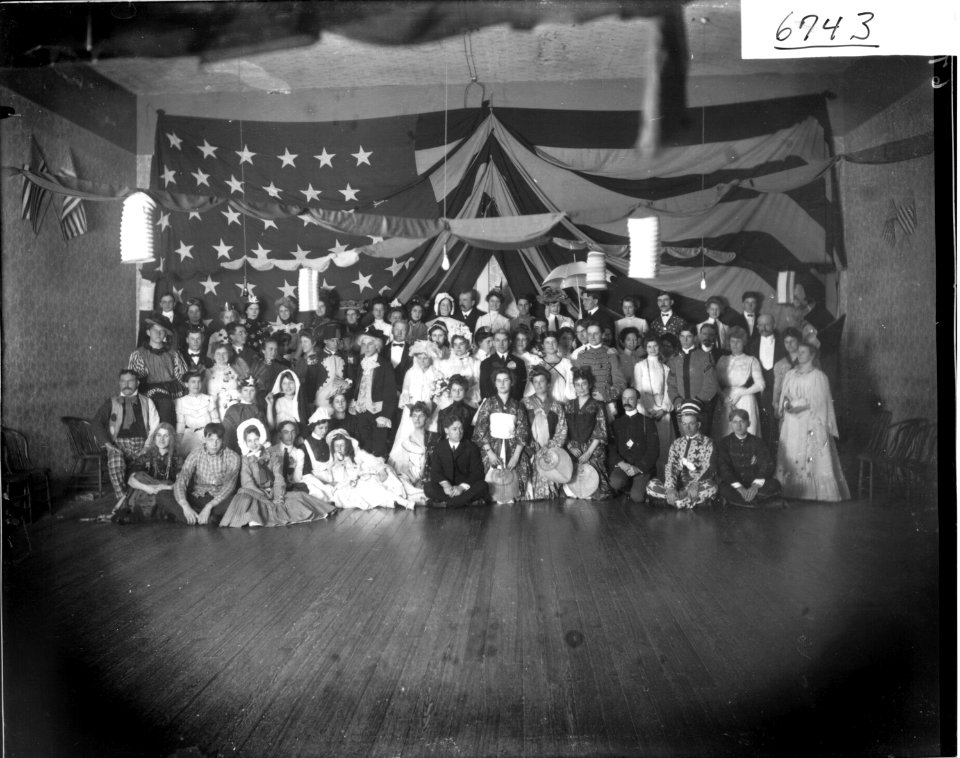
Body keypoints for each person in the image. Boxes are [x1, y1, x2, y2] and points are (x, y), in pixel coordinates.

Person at [218, 419, 333, 528]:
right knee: (246, 501)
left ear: (262, 438)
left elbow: (279, 478)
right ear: (245, 442)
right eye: (250, 441)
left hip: (273, 490)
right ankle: (257, 517)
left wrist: (277, 496)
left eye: (256, 439)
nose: (253, 444)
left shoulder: (272, 455)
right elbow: (247, 482)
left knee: (298, 498)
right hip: (255, 492)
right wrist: (263, 495)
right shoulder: (246, 459)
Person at [775, 343, 850, 501]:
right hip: (792, 420)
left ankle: (815, 492)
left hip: (809, 418)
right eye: (798, 352)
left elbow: (821, 402)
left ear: (812, 355)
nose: (799, 355)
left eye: (803, 352)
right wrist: (787, 405)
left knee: (810, 454)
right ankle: (790, 489)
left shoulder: (819, 377)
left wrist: (801, 408)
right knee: (792, 451)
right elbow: (785, 395)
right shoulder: (790, 374)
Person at [93, 369, 161, 502]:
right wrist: (108, 445)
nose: (126, 384)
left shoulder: (147, 402)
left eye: (130, 381)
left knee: (146, 470)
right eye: (123, 381)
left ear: (138, 383)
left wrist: (147, 446)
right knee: (115, 461)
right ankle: (123, 501)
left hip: (142, 444)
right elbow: (96, 422)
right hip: (119, 444)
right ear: (119, 383)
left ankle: (140, 499)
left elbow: (155, 426)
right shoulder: (112, 402)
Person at [156, 422, 241, 525]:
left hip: (218, 500)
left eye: (217, 440)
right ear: (204, 439)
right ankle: (202, 518)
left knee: (240, 499)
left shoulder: (233, 457)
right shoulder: (196, 453)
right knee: (162, 495)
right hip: (196, 496)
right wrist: (185, 505)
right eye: (211, 440)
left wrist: (209, 506)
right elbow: (183, 477)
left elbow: (229, 486)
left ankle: (193, 518)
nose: (214, 444)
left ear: (223, 440)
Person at [646, 401, 719, 509]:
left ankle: (673, 502)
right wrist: (671, 488)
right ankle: (684, 502)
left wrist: (696, 483)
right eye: (684, 424)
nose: (687, 428)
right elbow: (671, 466)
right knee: (651, 485)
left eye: (691, 423)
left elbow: (709, 467)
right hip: (678, 487)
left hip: (697, 486)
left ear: (698, 424)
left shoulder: (708, 442)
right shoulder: (676, 443)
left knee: (712, 487)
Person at [315, 429, 410, 510]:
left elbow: (372, 460)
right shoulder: (333, 461)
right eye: (336, 446)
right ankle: (389, 502)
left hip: (366, 477)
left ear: (347, 445)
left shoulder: (357, 453)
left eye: (342, 445)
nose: (339, 448)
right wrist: (337, 463)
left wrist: (380, 469)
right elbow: (333, 478)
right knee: (347, 495)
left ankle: (400, 500)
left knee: (372, 486)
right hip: (349, 485)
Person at [473, 367, 531, 497]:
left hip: (513, 447)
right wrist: (490, 453)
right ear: (495, 383)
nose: (502, 383)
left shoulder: (518, 405)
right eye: (499, 381)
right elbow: (481, 429)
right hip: (492, 447)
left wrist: (516, 457)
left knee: (514, 485)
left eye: (506, 380)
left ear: (511, 382)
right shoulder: (488, 403)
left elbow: (523, 432)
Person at [112, 422, 181, 523]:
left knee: (167, 484)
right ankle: (137, 512)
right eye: (159, 435)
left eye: (166, 436)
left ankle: (134, 513)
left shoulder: (177, 458)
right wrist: (149, 488)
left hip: (164, 493)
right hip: (146, 492)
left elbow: (181, 483)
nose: (161, 439)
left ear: (171, 439)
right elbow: (131, 481)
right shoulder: (147, 456)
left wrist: (164, 487)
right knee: (139, 476)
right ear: (154, 437)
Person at [717, 409, 785, 508]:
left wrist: (755, 486)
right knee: (723, 489)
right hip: (735, 485)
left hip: (755, 484)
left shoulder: (758, 442)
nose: (738, 426)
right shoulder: (724, 443)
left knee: (775, 484)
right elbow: (723, 468)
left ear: (749, 423)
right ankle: (761, 504)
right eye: (735, 422)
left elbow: (766, 465)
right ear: (731, 424)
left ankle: (743, 503)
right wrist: (740, 488)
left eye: (742, 422)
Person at [128, 313, 187, 424]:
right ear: (148, 332)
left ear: (165, 334)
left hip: (173, 388)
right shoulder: (139, 354)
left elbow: (183, 375)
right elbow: (134, 378)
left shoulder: (174, 353)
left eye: (162, 331)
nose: (158, 333)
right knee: (165, 402)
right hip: (150, 389)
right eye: (155, 330)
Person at [563, 366, 612, 500]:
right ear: (574, 386)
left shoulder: (598, 405)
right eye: (577, 385)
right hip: (573, 446)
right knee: (570, 488)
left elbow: (600, 430)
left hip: (592, 447)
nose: (581, 388)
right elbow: (563, 428)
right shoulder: (568, 405)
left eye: (584, 384)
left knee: (597, 489)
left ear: (589, 385)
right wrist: (569, 446)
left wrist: (588, 453)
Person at [349, 327, 397, 458]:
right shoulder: (361, 362)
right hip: (361, 410)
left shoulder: (385, 365)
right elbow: (358, 386)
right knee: (364, 446)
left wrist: (386, 415)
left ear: (377, 346)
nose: (366, 347)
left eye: (370, 344)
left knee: (378, 448)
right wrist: (355, 402)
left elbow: (390, 392)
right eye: (364, 344)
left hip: (378, 412)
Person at [522, 365, 569, 500]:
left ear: (548, 384)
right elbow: (521, 427)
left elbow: (562, 429)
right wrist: (532, 445)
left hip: (551, 450)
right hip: (530, 449)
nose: (538, 384)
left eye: (542, 381)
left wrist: (548, 447)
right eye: (535, 382)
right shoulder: (525, 403)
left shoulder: (556, 406)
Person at [391, 340, 444, 454]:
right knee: (408, 432)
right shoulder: (410, 373)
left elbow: (439, 396)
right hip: (412, 410)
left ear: (431, 358)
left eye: (425, 358)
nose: (422, 361)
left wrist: (429, 411)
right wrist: (412, 409)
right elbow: (405, 393)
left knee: (429, 434)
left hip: (431, 411)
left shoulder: (437, 374)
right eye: (419, 358)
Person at [608, 388, 659, 504]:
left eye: (631, 398)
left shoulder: (648, 422)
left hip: (641, 467)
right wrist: (621, 463)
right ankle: (627, 486)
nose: (627, 401)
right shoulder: (617, 423)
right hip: (624, 466)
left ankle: (639, 485)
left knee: (637, 498)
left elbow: (654, 450)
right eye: (624, 398)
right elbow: (611, 449)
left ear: (637, 401)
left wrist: (638, 468)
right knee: (615, 482)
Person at [424, 417, 489, 508]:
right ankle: (464, 502)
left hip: (465, 488)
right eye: (454, 429)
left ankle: (448, 503)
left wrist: (461, 487)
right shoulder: (440, 447)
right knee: (428, 487)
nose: (459, 432)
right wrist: (445, 485)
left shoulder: (471, 447)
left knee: (483, 486)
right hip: (447, 490)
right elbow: (435, 471)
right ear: (446, 430)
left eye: (461, 429)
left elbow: (477, 473)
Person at [667, 324, 719, 437]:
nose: (685, 340)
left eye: (689, 336)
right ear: (679, 337)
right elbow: (671, 384)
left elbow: (711, 384)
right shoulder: (674, 359)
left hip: (701, 408)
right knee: (683, 440)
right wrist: (677, 401)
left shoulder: (705, 357)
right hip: (681, 408)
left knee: (701, 441)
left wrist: (695, 402)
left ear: (695, 337)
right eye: (682, 336)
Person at [633, 335, 673, 479]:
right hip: (646, 408)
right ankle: (645, 479)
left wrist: (663, 409)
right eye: (649, 346)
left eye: (655, 346)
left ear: (660, 347)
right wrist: (646, 410)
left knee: (663, 444)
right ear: (645, 348)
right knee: (647, 443)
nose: (652, 349)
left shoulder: (665, 367)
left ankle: (663, 479)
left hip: (662, 409)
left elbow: (669, 390)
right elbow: (638, 390)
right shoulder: (640, 365)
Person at [714, 326, 765, 438]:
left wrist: (741, 393)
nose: (735, 345)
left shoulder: (751, 360)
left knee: (745, 432)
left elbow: (761, 385)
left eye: (738, 342)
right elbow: (715, 382)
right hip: (726, 400)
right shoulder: (722, 359)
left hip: (745, 399)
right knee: (724, 433)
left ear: (744, 343)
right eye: (732, 341)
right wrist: (723, 396)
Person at [570, 321, 624, 421]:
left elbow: (620, 384)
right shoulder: (581, 356)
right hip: (586, 403)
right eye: (589, 334)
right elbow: (575, 383)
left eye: (596, 333)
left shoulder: (611, 355)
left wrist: (605, 396)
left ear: (603, 334)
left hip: (607, 404)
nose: (592, 337)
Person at [388, 401, 433, 505]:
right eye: (414, 416)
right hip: (412, 476)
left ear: (427, 418)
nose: (417, 419)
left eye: (421, 416)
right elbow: (404, 467)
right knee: (399, 482)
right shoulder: (406, 441)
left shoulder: (432, 437)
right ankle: (420, 496)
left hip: (428, 474)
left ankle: (419, 495)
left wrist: (424, 477)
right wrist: (414, 480)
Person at [754, 313, 783, 445]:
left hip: (778, 389)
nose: (763, 327)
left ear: (774, 325)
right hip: (759, 391)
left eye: (767, 324)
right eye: (760, 324)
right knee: (761, 421)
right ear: (757, 326)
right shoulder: (752, 344)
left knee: (776, 421)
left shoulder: (783, 343)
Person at [175, 370, 219, 456]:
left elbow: (216, 421)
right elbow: (180, 425)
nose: (196, 385)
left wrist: (215, 437)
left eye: (199, 382)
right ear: (186, 384)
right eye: (193, 382)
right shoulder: (180, 401)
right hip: (189, 435)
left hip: (207, 434)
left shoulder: (209, 399)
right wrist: (178, 444)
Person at [206, 344, 250, 424]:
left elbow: (244, 390)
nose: (221, 356)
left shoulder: (237, 370)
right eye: (218, 354)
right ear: (213, 356)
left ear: (229, 354)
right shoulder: (207, 372)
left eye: (224, 353)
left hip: (234, 409)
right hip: (214, 410)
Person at [222, 376, 266, 454]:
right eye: (245, 390)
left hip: (258, 450)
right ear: (240, 391)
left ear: (256, 392)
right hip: (238, 451)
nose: (248, 394)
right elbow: (227, 436)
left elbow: (265, 432)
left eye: (252, 390)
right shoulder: (233, 409)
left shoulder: (259, 409)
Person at [479, 329, 527, 400]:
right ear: (494, 342)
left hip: (513, 403)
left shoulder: (519, 362)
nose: (501, 344)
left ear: (509, 342)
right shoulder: (486, 363)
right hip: (493, 405)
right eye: (498, 340)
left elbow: (521, 387)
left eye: (504, 340)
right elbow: (484, 388)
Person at [438, 333, 480, 406]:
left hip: (469, 399)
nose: (458, 347)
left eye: (461, 344)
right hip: (449, 400)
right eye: (455, 344)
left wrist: (464, 394)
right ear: (452, 346)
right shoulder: (445, 363)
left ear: (467, 345)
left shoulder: (475, 362)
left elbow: (478, 384)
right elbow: (442, 383)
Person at [772, 327, 803, 419]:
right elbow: (777, 387)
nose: (789, 344)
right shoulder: (780, 364)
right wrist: (776, 403)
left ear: (799, 341)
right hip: (786, 404)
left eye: (792, 341)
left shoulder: (808, 362)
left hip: (803, 403)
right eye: (786, 342)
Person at [437, 374, 476, 441]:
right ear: (450, 391)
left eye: (460, 390)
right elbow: (441, 436)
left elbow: (474, 435)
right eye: (454, 390)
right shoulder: (443, 412)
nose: (457, 393)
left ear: (465, 391)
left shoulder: (472, 412)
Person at [266, 369, 306, 434]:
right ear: (281, 386)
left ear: (296, 384)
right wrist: (270, 405)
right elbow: (271, 426)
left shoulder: (301, 402)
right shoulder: (279, 402)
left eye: (290, 382)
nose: (288, 386)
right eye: (284, 383)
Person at [271, 295, 303, 362]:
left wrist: (295, 359)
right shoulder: (275, 328)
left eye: (286, 310)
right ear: (278, 313)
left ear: (291, 311)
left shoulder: (298, 327)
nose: (284, 313)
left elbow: (301, 344)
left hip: (294, 358)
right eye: (281, 311)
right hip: (278, 360)